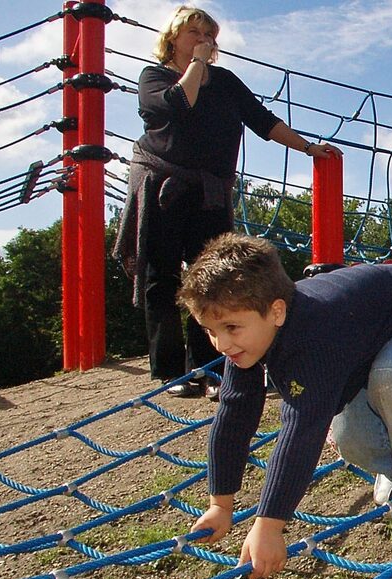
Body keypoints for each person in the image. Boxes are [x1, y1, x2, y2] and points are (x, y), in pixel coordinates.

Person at [182, 234, 392, 579]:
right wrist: (221, 504)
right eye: (210, 331)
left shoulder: (312, 333)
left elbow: (301, 431)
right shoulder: (244, 343)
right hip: (361, 335)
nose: (221, 343)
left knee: (391, 378)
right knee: (349, 437)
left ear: (275, 311)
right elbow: (233, 416)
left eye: (230, 327)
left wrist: (270, 525)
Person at [114, 6, 341, 399]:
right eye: (194, 32)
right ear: (172, 39)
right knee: (162, 279)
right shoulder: (153, 77)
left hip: (211, 191)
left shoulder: (225, 82)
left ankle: (212, 368)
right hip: (165, 188)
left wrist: (307, 148)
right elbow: (178, 104)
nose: (203, 39)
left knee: (216, 280)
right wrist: (196, 66)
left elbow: (261, 119)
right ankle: (173, 374)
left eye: (208, 34)